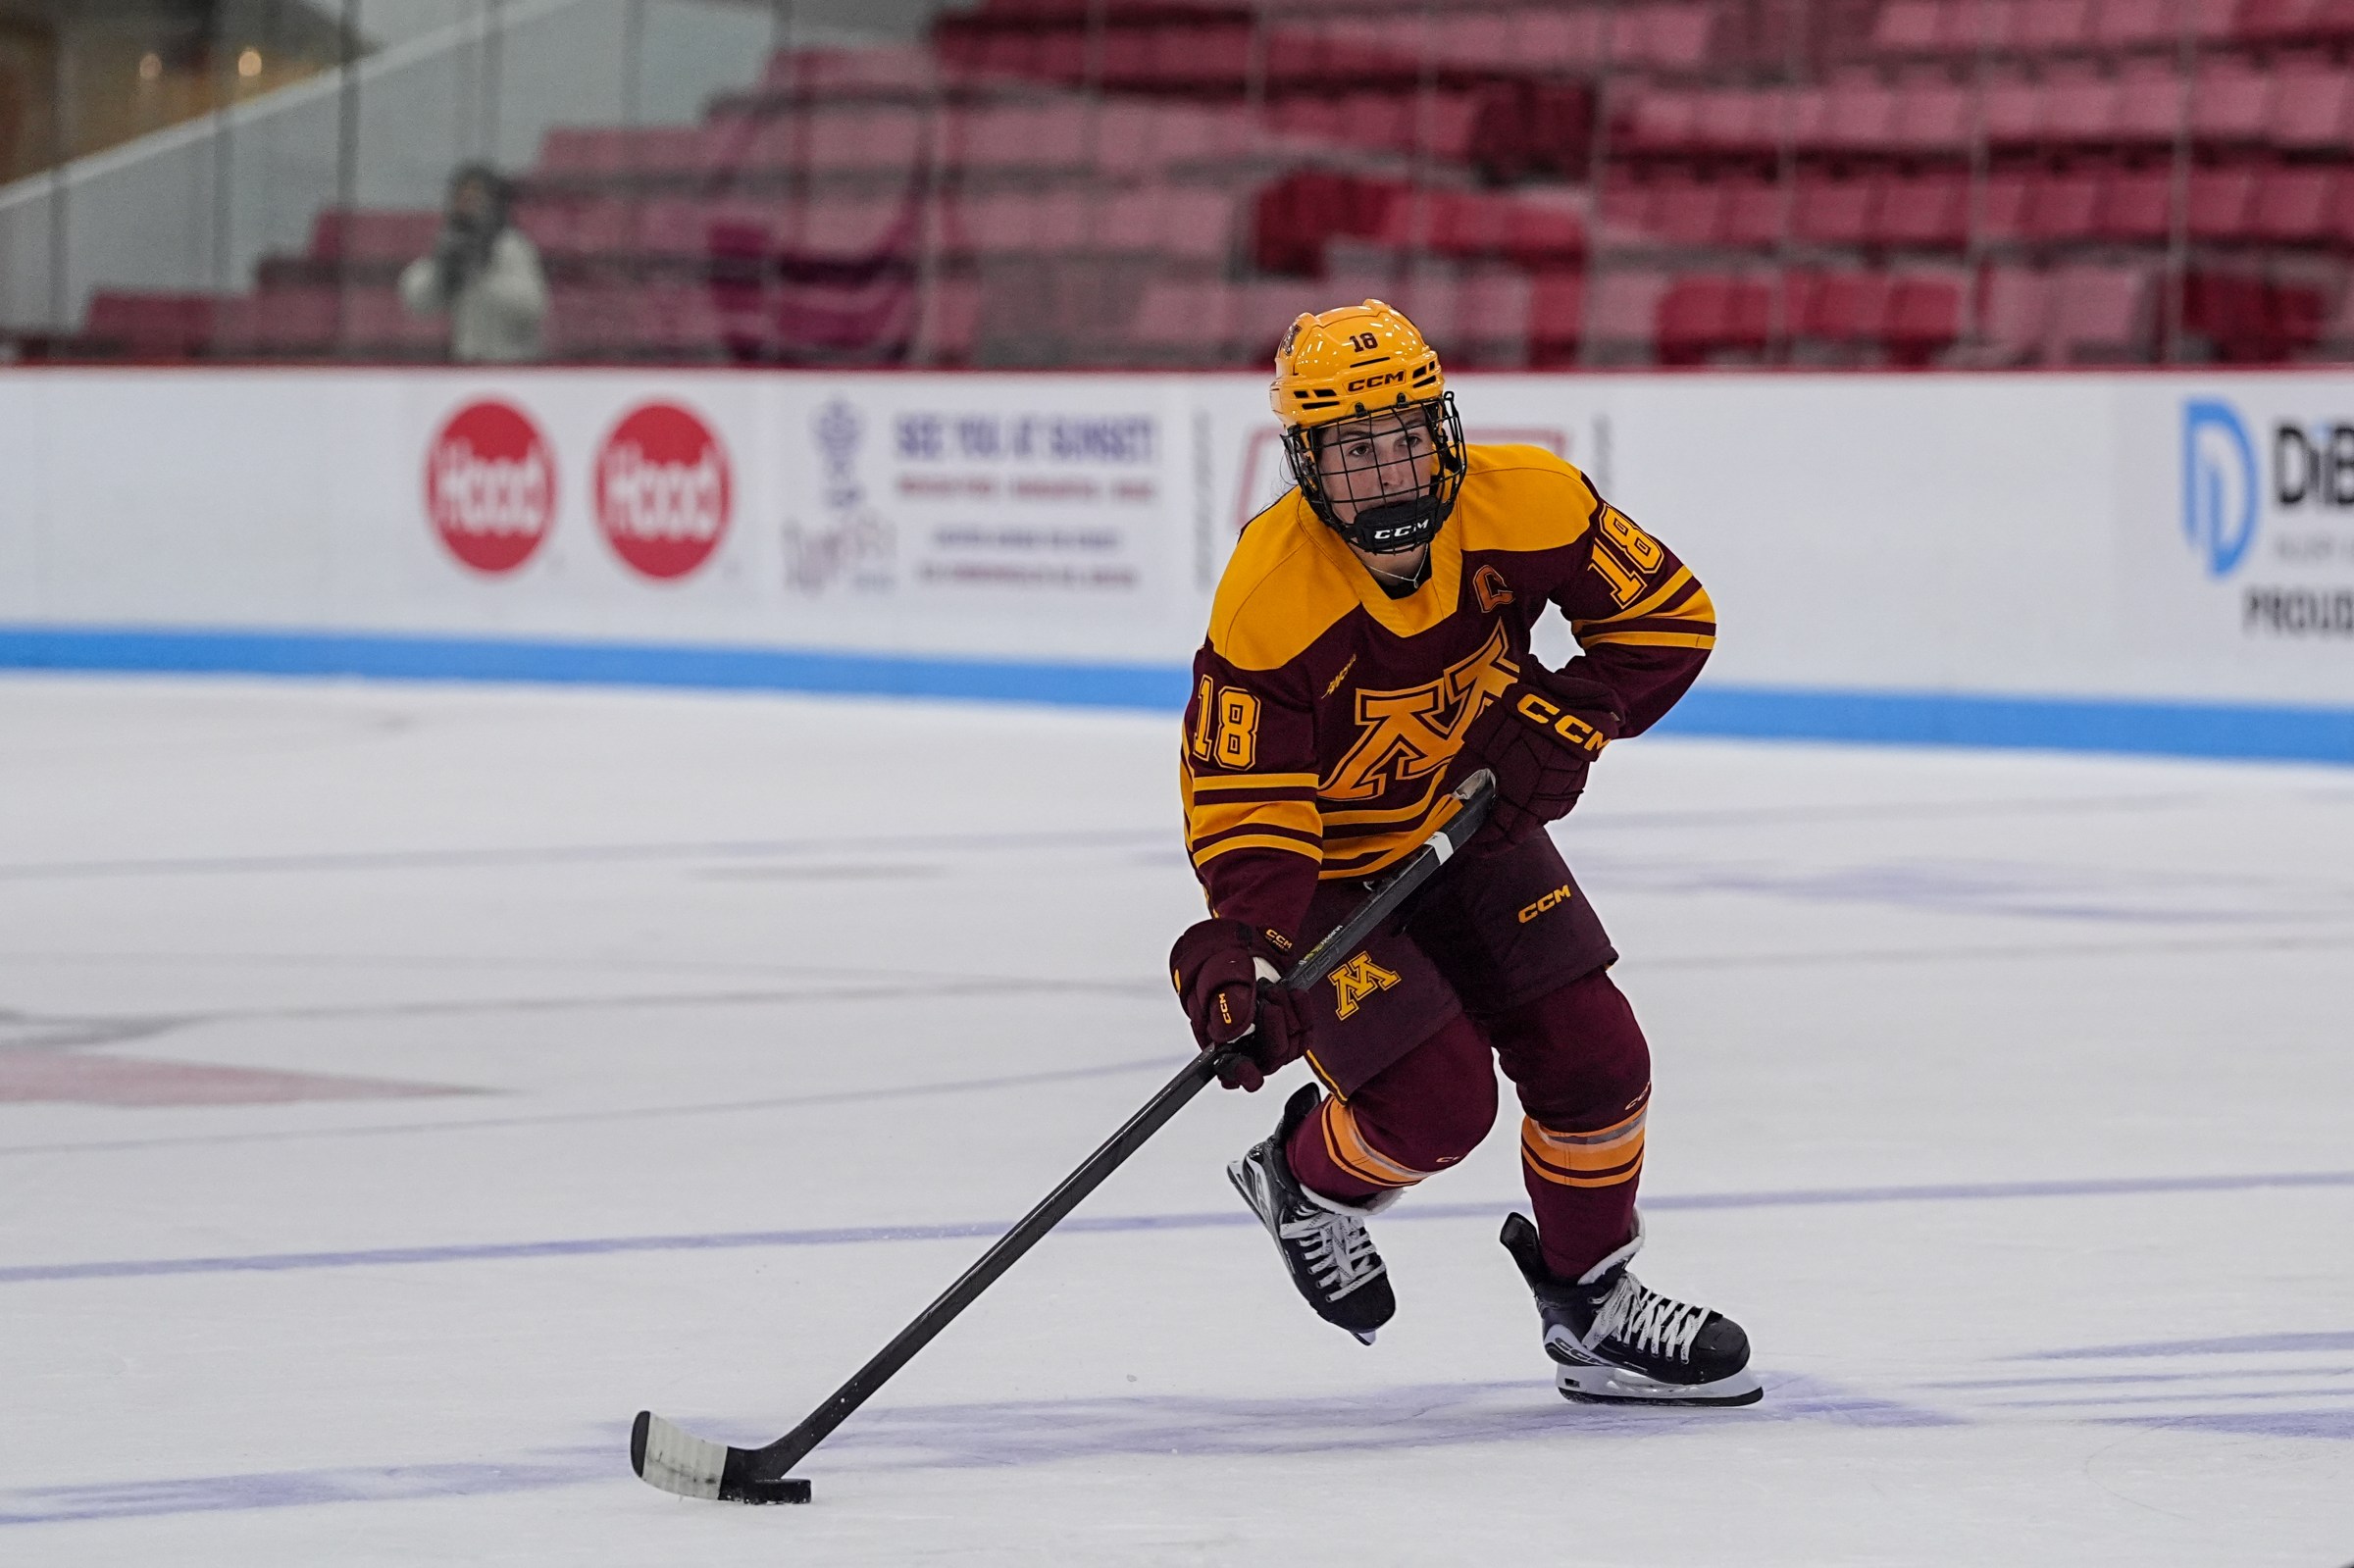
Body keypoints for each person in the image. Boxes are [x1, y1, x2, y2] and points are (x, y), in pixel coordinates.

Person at [1168, 300, 1759, 1406]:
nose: (1387, 475)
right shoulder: (1271, 595)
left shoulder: (1526, 497)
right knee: (1436, 1113)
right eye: (1351, 452)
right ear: (1304, 463)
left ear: (1442, 425)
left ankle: (1591, 1307)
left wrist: (1566, 714)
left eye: (1401, 437)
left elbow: (1668, 621)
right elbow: (1247, 803)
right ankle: (1303, 1182)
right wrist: (1247, 954)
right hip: (1335, 867)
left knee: (1598, 1062)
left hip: (1469, 819)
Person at [399, 163, 547, 363]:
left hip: (512, 364)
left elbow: (532, 307)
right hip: (465, 362)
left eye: (476, 197)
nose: (468, 205)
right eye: (462, 197)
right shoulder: (451, 243)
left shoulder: (509, 245)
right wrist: (444, 270)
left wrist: (481, 273)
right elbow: (418, 302)